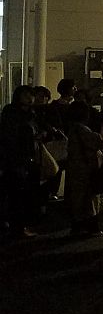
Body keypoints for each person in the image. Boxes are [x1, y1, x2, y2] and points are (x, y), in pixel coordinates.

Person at [0, 86, 42, 238]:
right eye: (26, 95)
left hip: (28, 157)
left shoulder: (32, 114)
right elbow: (10, 136)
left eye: (31, 95)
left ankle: (17, 225)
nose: (30, 98)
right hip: (15, 159)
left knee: (22, 193)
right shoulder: (11, 113)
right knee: (16, 193)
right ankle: (17, 227)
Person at [62, 100, 103, 236]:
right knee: (89, 198)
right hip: (85, 168)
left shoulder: (72, 128)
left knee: (77, 198)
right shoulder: (81, 129)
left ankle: (77, 226)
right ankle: (90, 227)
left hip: (75, 167)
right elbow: (97, 141)